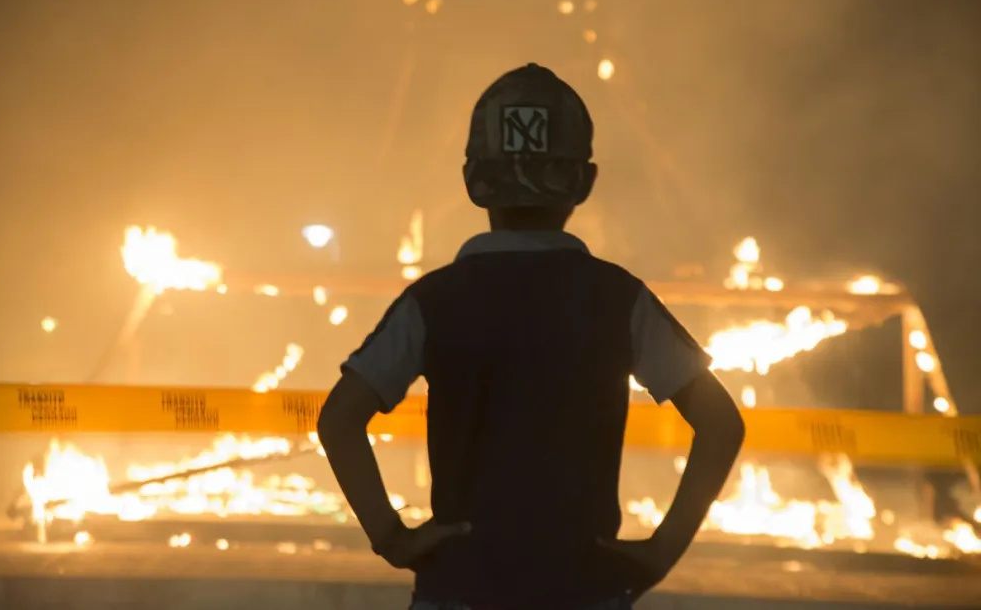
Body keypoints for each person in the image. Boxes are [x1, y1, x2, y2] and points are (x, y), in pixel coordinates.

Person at [318, 63, 745, 610]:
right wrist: (662, 551)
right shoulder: (619, 299)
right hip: (583, 589)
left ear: (473, 180)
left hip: (461, 590)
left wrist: (393, 538)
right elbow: (721, 422)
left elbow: (340, 418)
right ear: (585, 183)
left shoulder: (435, 300)